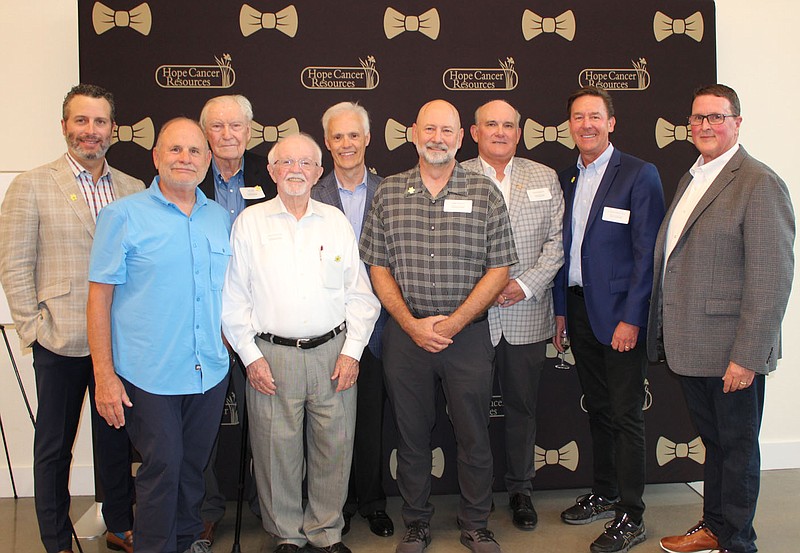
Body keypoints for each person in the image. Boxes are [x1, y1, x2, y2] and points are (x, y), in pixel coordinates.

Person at [359, 99, 518, 553]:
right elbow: (377, 266)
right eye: (429, 129)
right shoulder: (389, 192)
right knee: (411, 438)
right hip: (405, 339)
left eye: (447, 131)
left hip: (466, 337)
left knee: (473, 435)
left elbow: (500, 267)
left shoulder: (485, 192)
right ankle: (416, 523)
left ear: (460, 137)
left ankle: (474, 523)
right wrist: (409, 323)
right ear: (413, 133)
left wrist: (455, 321)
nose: (438, 139)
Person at [647, 84, 794, 553]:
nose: (705, 126)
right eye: (697, 119)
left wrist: (748, 356)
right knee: (717, 444)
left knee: (737, 449)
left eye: (716, 117)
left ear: (737, 122)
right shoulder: (693, 177)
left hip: (732, 351)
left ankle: (738, 542)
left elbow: (772, 278)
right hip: (693, 345)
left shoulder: (758, 181)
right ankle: (714, 528)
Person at [221, 133, 380, 553]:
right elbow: (233, 300)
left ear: (318, 172)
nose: (296, 169)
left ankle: (326, 533)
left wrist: (352, 351)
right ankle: (287, 536)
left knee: (335, 448)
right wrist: (251, 358)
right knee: (276, 454)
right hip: (271, 355)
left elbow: (360, 296)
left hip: (333, 353)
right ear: (271, 171)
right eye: (285, 162)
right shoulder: (249, 224)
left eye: (305, 163)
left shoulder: (335, 222)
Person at [0, 84, 141, 553]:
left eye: (100, 122)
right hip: (59, 339)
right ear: (64, 127)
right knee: (55, 448)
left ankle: (121, 525)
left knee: (116, 441)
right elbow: (15, 264)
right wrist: (33, 328)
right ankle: (57, 540)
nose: (90, 131)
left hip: (119, 342)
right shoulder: (31, 185)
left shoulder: (132, 189)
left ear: (113, 130)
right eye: (81, 121)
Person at [87, 118, 232, 553]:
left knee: (192, 469)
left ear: (207, 161)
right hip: (148, 374)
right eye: (175, 150)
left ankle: (187, 542)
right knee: (162, 468)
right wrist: (104, 376)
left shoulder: (219, 218)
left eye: (194, 151)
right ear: (156, 157)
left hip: (208, 370)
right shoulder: (122, 216)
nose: (184, 159)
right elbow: (99, 301)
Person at [552, 86, 665, 553]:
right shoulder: (569, 177)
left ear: (611, 123)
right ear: (570, 125)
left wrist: (632, 318)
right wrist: (561, 310)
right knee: (597, 408)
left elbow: (648, 256)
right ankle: (605, 491)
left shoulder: (639, 174)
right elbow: (564, 249)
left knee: (625, 416)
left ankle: (631, 516)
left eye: (595, 116)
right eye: (578, 117)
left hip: (620, 316)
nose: (587, 125)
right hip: (579, 309)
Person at [461, 99, 564, 532]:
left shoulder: (544, 176)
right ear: (474, 132)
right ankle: (476, 497)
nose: (500, 132)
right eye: (491, 125)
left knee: (522, 409)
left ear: (518, 133)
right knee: (469, 413)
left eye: (508, 126)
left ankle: (521, 489)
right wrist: (482, 292)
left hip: (526, 312)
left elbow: (557, 244)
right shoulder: (455, 175)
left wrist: (523, 285)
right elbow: (446, 250)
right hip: (471, 319)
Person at [311, 101, 394, 538]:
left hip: (380, 330)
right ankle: (333, 504)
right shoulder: (310, 194)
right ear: (327, 143)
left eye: (353, 135)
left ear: (367, 138)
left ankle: (374, 501)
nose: (346, 144)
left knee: (372, 423)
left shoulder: (392, 191)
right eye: (337, 137)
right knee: (328, 427)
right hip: (325, 332)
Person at [198, 93, 276, 542]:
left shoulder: (272, 172)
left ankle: (268, 505)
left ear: (250, 131)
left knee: (267, 425)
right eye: (217, 127)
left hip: (262, 322)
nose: (228, 135)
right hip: (202, 323)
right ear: (205, 132)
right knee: (202, 427)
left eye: (236, 126)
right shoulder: (186, 175)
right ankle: (205, 508)